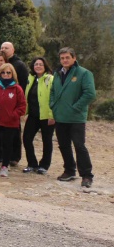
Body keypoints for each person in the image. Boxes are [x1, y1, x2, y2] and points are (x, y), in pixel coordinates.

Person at [50, 47, 96, 188]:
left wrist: (75, 107)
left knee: (79, 146)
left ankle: (87, 175)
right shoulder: (57, 73)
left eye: (67, 57)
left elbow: (90, 94)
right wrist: (53, 105)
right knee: (63, 145)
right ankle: (69, 170)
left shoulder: (84, 73)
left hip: (76, 117)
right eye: (62, 58)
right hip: (60, 116)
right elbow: (53, 91)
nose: (64, 60)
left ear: (74, 58)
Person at [23, 57, 54, 174]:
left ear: (45, 66)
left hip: (46, 115)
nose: (38, 66)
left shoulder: (50, 79)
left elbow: (53, 97)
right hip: (33, 115)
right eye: (36, 64)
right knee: (26, 138)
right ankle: (32, 163)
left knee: (47, 141)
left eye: (41, 64)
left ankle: (44, 165)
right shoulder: (31, 79)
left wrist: (52, 115)